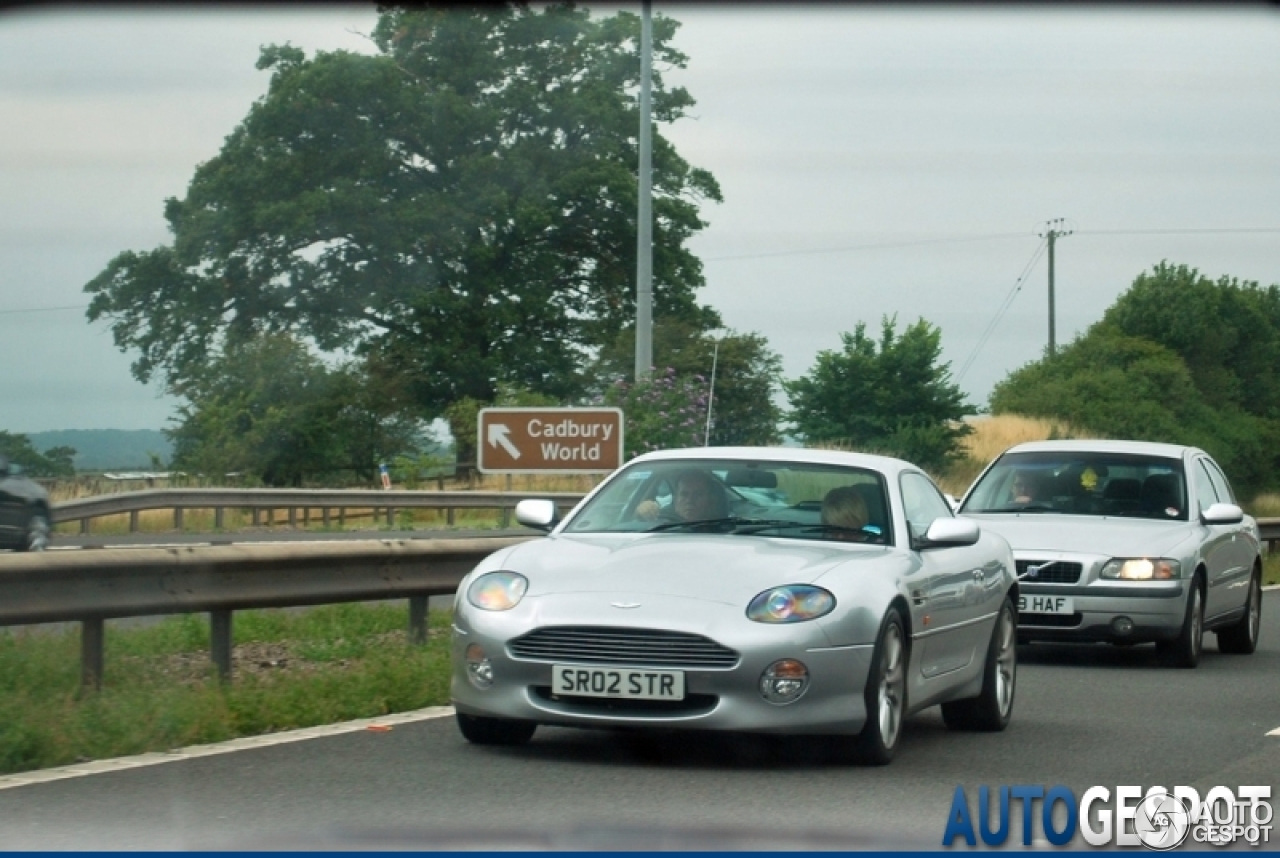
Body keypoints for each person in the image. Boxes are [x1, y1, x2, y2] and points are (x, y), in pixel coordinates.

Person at [636, 470, 728, 522]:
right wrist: (641, 512)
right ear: (675, 499)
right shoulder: (659, 522)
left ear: (710, 500)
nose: (690, 500)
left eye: (698, 495)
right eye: (684, 494)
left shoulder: (727, 530)